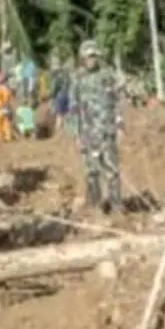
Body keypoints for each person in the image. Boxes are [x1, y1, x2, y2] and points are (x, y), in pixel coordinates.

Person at [71, 39, 122, 211]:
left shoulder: (107, 75)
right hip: (88, 133)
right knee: (92, 171)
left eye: (94, 56)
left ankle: (116, 204)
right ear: (82, 58)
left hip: (107, 131)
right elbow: (74, 108)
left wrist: (119, 122)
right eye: (88, 57)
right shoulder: (78, 79)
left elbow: (117, 101)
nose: (91, 60)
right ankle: (96, 206)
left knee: (112, 170)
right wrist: (76, 135)